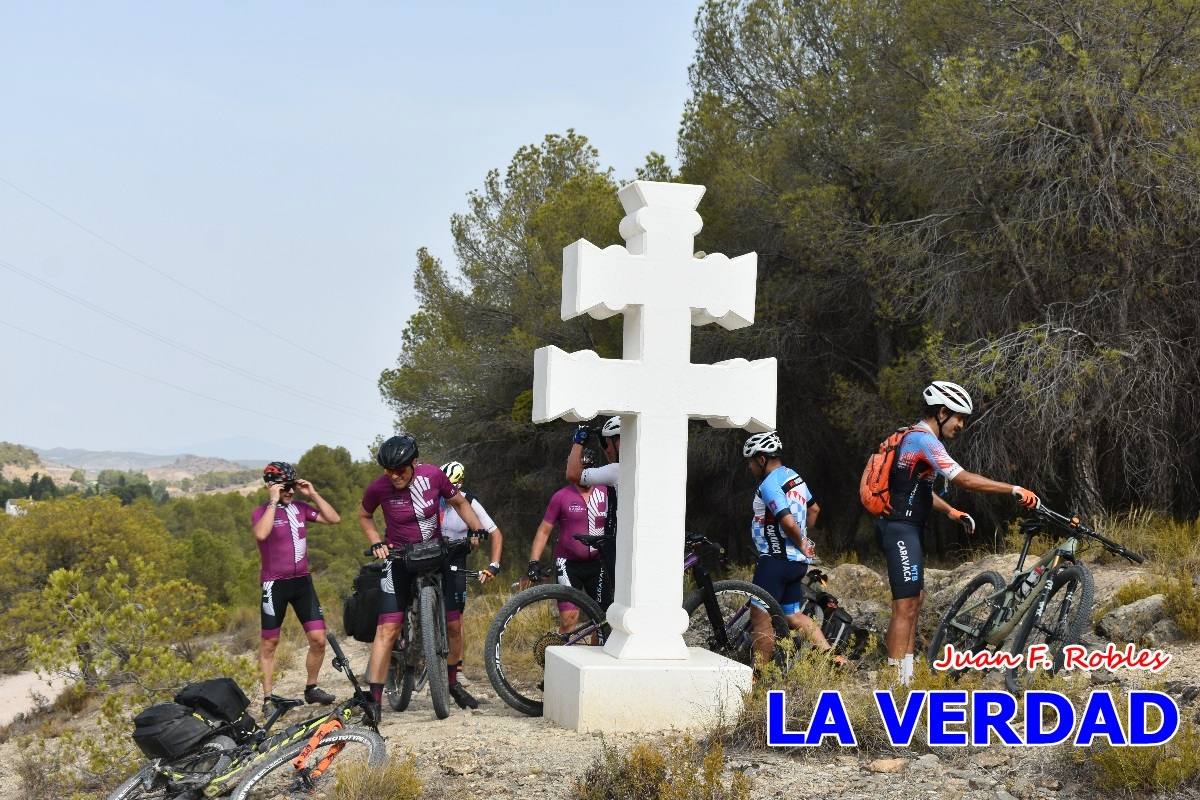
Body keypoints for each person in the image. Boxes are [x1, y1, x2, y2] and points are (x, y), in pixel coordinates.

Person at [875, 380, 1040, 684]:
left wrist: (949, 510)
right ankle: (895, 685)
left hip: (905, 527)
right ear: (941, 412)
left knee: (914, 601)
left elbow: (914, 488)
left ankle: (906, 679)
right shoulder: (924, 440)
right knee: (905, 605)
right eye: (959, 418)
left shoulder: (914, 440)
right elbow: (963, 479)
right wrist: (1013, 488)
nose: (961, 425)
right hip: (901, 529)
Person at [357, 435, 489, 716]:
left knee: (454, 625)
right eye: (388, 470)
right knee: (388, 629)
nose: (394, 476)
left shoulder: (433, 476)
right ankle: (375, 701)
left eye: (400, 470)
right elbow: (364, 515)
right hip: (399, 558)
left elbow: (460, 503)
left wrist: (475, 529)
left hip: (435, 554)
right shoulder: (379, 487)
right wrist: (376, 541)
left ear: (414, 463)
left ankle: (452, 683)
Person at [742, 432, 846, 667]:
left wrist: (800, 541)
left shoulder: (770, 484)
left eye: (750, 461)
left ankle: (760, 676)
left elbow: (787, 522)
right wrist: (803, 538)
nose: (749, 467)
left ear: (761, 459)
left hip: (776, 561)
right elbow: (815, 509)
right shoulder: (795, 477)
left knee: (761, 617)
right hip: (796, 564)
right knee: (793, 616)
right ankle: (831, 657)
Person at [252, 461, 341, 711]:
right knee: (270, 644)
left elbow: (334, 519)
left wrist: (312, 494)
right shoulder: (262, 511)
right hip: (274, 585)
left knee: (318, 639)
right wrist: (273, 501)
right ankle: (268, 698)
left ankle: (311, 688)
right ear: (272, 487)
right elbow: (261, 534)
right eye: (284, 487)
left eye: (292, 486)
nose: (290, 492)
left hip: (302, 582)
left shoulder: (300, 508)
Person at [436, 460, 502, 709]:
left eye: (451, 487)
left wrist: (494, 565)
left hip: (455, 563)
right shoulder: (432, 499)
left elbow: (495, 533)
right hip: (430, 561)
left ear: (459, 485)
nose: (445, 493)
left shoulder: (469, 501)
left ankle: (457, 666)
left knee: (456, 621)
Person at [525, 449, 609, 631]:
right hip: (568, 564)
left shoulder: (606, 492)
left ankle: (595, 657)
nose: (584, 473)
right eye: (580, 469)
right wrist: (534, 562)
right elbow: (544, 530)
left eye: (588, 469)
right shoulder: (561, 496)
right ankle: (561, 653)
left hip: (599, 562)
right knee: (569, 618)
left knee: (603, 619)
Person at [564, 416, 621, 609]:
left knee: (610, 607)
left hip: (615, 543)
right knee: (611, 606)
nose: (606, 449)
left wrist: (579, 441)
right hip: (617, 544)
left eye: (607, 443)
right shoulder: (631, 468)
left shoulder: (616, 470)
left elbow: (573, 473)